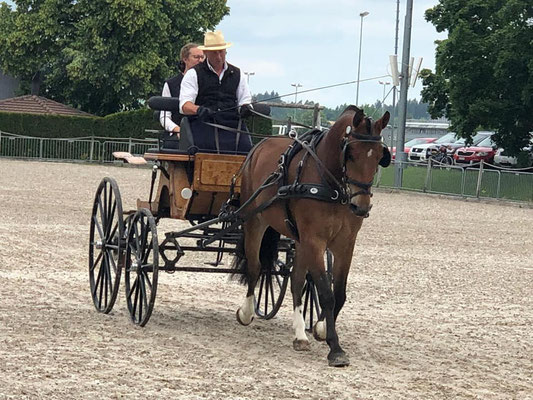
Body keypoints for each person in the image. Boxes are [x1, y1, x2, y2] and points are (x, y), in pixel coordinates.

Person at [179, 30, 254, 153]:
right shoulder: (193, 74)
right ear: (206, 53)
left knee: (248, 150)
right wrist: (199, 110)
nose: (219, 57)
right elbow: (185, 105)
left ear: (226, 52)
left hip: (233, 125)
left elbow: (244, 100)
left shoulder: (238, 74)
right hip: (204, 123)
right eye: (214, 53)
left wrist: (246, 108)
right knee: (205, 146)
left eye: (221, 52)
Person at [159, 43, 204, 147]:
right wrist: (179, 130)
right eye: (196, 57)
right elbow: (164, 117)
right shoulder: (170, 84)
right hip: (177, 134)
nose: (200, 60)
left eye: (202, 57)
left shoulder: (207, 82)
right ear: (185, 59)